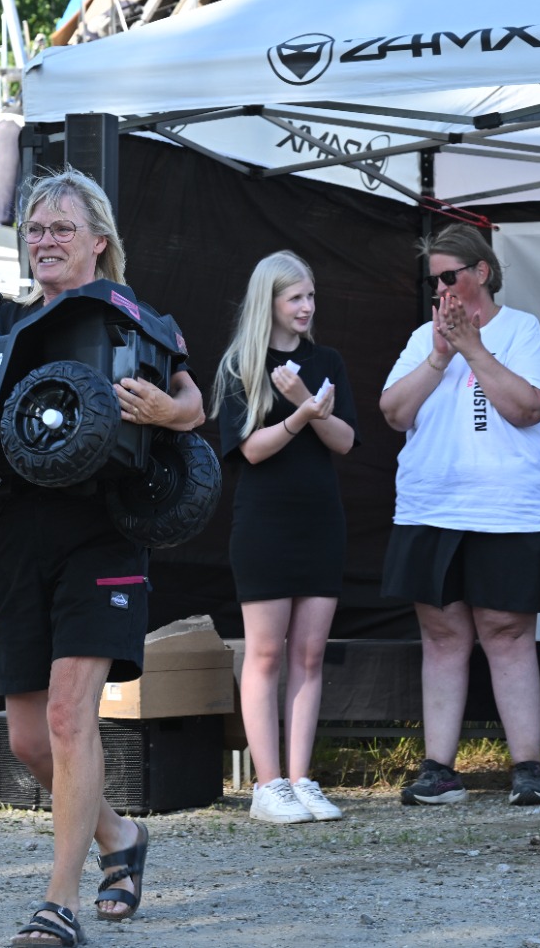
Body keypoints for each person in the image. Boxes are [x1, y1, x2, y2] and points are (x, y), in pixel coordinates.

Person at [0, 168, 205, 947]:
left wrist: (166, 410)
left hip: (101, 532)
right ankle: (120, 834)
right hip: (16, 536)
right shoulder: (8, 329)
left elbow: (194, 401)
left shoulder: (129, 317)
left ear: (98, 241)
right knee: (28, 740)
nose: (45, 241)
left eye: (61, 228)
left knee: (71, 714)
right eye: (36, 229)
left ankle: (59, 903)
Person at [377, 222, 540, 808]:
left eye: (448, 277)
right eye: (432, 282)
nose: (440, 291)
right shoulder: (421, 339)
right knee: (442, 635)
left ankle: (527, 768)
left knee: (508, 634)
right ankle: (439, 768)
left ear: (481, 272)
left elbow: (527, 408)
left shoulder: (523, 330)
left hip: (508, 509)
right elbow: (394, 413)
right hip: (432, 506)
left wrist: (473, 348)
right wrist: (439, 354)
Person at [211, 251, 357, 824]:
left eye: (311, 296)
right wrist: (301, 413)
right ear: (268, 301)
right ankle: (267, 784)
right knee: (266, 652)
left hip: (321, 521)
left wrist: (304, 402)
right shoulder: (239, 367)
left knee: (310, 653)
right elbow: (250, 450)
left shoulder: (327, 361)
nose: (306, 307)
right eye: (296, 297)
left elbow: (344, 441)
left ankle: (301, 780)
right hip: (265, 524)